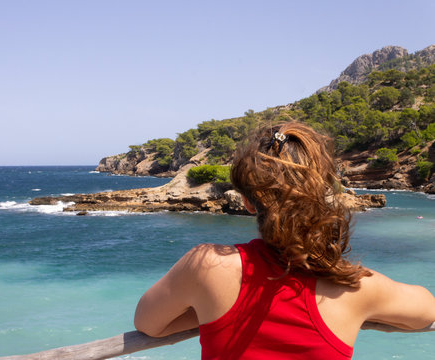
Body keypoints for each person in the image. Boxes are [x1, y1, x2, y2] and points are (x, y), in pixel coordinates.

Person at [134, 121, 435, 359]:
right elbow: (426, 312)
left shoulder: (206, 266)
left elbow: (148, 324)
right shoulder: (358, 288)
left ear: (248, 202)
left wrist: (207, 312)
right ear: (325, 195)